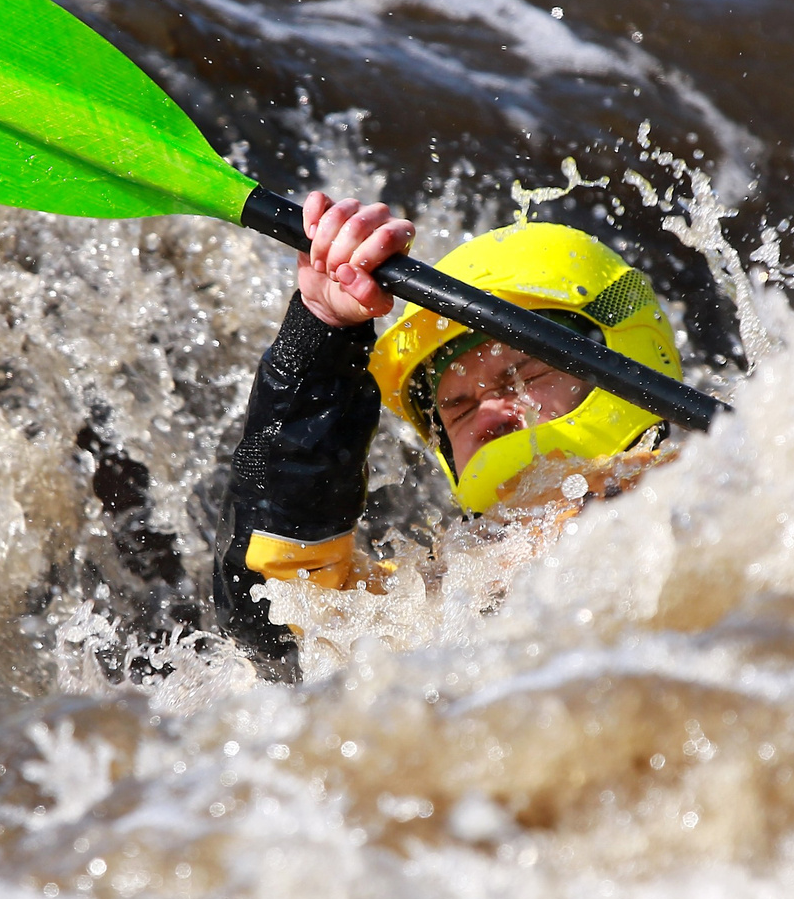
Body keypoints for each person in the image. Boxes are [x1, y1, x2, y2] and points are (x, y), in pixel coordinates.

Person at [213, 191, 686, 670]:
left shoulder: (711, 491)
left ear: (623, 362)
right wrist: (324, 330)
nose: (488, 414)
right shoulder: (435, 593)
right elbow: (274, 616)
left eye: (520, 378)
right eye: (457, 408)